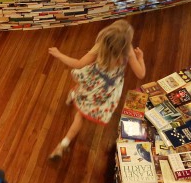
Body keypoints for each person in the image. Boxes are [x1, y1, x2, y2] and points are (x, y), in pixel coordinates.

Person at [48, 19, 146, 159]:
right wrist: (140, 58)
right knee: (81, 114)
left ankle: (73, 98)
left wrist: (59, 54)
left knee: (82, 90)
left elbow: (78, 64)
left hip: (93, 79)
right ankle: (64, 143)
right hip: (107, 88)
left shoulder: (100, 46)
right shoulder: (128, 50)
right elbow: (141, 74)